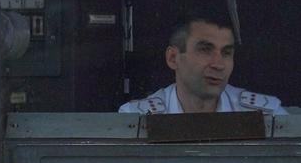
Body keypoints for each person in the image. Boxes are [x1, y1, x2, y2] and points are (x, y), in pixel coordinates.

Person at [121, 17, 286, 115]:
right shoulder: (135, 118)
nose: (218, 64)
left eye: (226, 53)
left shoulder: (267, 115)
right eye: (205, 50)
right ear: (173, 58)